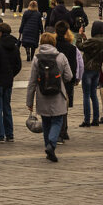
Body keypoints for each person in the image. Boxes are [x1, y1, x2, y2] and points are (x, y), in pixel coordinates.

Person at [25, 31, 73, 162]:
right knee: (57, 120)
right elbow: (69, 76)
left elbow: (32, 81)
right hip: (58, 94)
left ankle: (48, 146)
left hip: (42, 94)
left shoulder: (36, 58)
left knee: (46, 122)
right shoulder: (61, 57)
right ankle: (51, 144)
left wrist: (29, 101)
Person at [0, 22, 22, 141]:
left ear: (0, 32)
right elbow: (18, 65)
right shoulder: (14, 46)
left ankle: (0, 135)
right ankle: (10, 134)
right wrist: (11, 74)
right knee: (7, 107)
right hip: (8, 81)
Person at [78, 21, 103, 126]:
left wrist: (79, 35)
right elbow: (90, 48)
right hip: (97, 69)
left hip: (87, 69)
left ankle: (87, 120)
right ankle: (95, 119)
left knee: (86, 95)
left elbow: (80, 46)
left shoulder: (93, 40)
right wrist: (85, 38)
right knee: (93, 95)